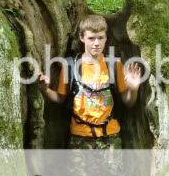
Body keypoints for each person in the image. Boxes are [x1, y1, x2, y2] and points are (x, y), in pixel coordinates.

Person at [38, 14, 142, 149]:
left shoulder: (114, 65)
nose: (96, 43)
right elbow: (60, 98)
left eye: (100, 38)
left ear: (106, 38)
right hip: (79, 137)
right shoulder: (70, 66)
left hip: (110, 137)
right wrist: (45, 89)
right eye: (91, 38)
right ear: (82, 38)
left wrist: (133, 89)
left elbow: (128, 102)